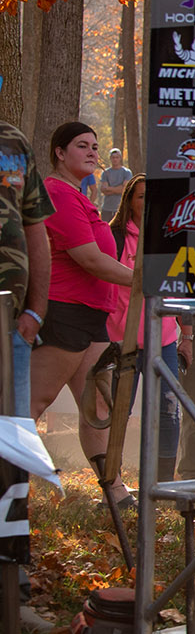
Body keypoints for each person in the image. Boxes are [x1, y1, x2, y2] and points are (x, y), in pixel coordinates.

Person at [30, 122, 135, 504]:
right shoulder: (57, 193)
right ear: (59, 152)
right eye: (81, 146)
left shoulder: (80, 196)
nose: (92, 152)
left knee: (98, 404)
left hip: (93, 318)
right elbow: (89, 259)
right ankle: (10, 488)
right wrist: (143, 281)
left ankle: (114, 489)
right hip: (64, 313)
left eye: (94, 146)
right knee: (33, 404)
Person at [106, 176, 184, 479]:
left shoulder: (170, 237)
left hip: (163, 341)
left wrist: (186, 336)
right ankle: (111, 478)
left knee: (168, 411)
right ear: (129, 201)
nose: (147, 202)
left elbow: (181, 288)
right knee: (117, 412)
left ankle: (162, 481)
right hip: (119, 340)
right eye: (141, 196)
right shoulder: (113, 236)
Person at [0, 123, 50, 418]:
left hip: (12, 324)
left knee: (12, 439)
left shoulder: (13, 142)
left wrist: (36, 311)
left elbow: (35, 227)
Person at [97, 149, 130, 219]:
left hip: (121, 208)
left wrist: (109, 188)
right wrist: (118, 189)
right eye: (113, 157)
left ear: (120, 158)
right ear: (110, 158)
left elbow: (124, 189)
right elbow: (104, 190)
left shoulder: (126, 172)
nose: (115, 159)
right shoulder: (105, 172)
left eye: (117, 157)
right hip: (107, 208)